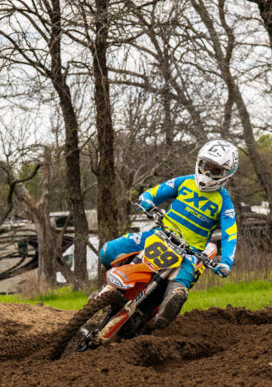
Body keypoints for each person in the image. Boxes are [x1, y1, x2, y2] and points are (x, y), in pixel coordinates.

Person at [98, 139, 239, 329]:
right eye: (206, 166)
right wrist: (147, 200)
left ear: (226, 174)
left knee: (178, 290)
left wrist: (226, 262)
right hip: (160, 234)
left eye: (215, 170)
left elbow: (230, 233)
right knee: (108, 250)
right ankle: (113, 289)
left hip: (190, 252)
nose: (207, 173)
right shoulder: (185, 181)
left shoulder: (224, 202)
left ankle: (155, 326)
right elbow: (156, 191)